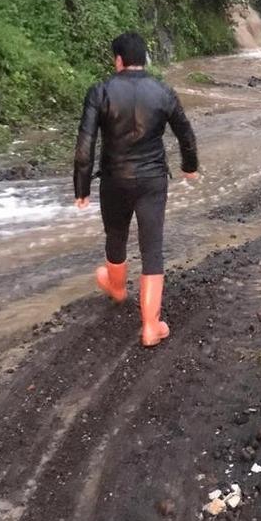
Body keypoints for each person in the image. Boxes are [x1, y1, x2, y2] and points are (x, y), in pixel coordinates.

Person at [74, 32, 198, 347]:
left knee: (115, 236)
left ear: (118, 60)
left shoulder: (100, 91)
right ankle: (150, 326)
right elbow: (184, 131)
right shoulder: (162, 91)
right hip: (153, 180)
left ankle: (116, 289)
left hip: (115, 180)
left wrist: (82, 187)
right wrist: (190, 166)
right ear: (144, 59)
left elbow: (85, 145)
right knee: (152, 249)